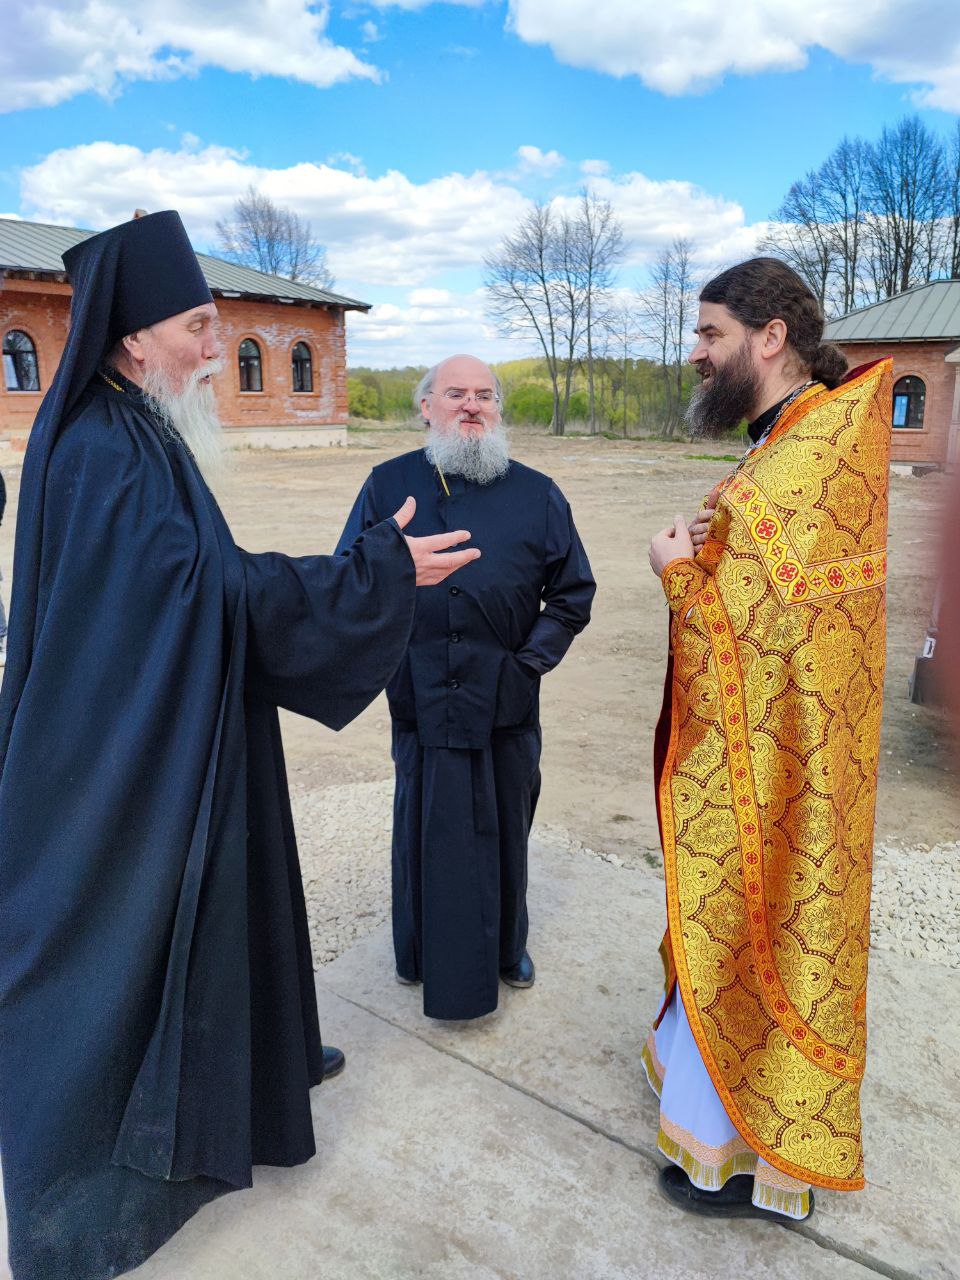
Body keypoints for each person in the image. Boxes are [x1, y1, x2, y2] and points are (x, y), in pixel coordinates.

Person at [0, 210, 479, 1280]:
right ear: (134, 339)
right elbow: (200, 593)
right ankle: (90, 1189)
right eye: (198, 328)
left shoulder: (129, 423)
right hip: (121, 757)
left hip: (174, 718)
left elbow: (202, 587)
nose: (216, 348)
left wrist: (353, 574)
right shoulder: (102, 448)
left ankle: (254, 1074)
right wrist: (371, 575)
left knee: (234, 889)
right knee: (120, 938)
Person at [645, 258, 891, 1222]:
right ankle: (715, 1114)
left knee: (757, 915)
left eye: (711, 333)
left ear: (771, 336)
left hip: (780, 753)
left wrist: (676, 571)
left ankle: (734, 1157)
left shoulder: (795, 460)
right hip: (800, 746)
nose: (696, 353)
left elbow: (736, 643)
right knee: (764, 918)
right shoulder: (805, 434)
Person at [336, 354, 595, 1020]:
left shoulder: (538, 493)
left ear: (498, 410)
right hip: (420, 692)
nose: (472, 405)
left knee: (505, 824)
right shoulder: (387, 485)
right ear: (427, 408)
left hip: (505, 694)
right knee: (424, 825)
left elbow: (573, 593)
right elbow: (348, 578)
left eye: (485, 394)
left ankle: (507, 948)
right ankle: (418, 952)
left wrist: (527, 664)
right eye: (456, 394)